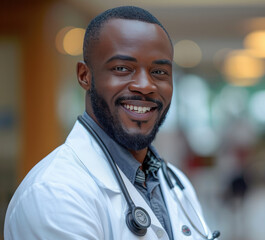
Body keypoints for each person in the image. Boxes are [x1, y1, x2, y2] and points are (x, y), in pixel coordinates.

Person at [4, 6, 219, 240]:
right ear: (85, 76)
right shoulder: (54, 193)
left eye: (159, 71)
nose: (145, 85)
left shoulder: (177, 186)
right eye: (122, 68)